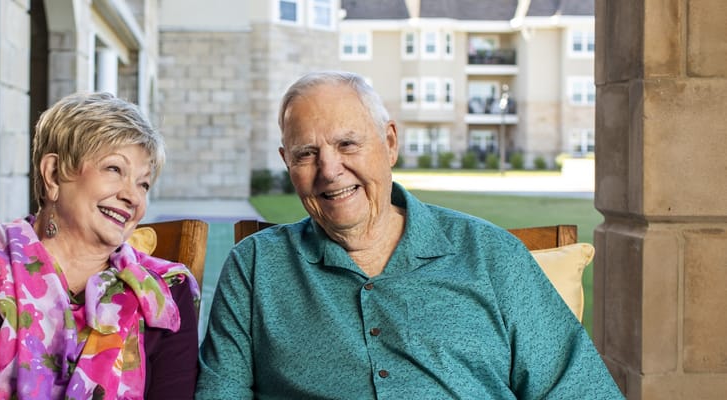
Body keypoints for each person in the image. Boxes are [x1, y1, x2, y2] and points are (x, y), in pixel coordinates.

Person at [196, 71, 623, 399]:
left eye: (347, 145)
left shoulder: (492, 256)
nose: (329, 170)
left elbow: (580, 390)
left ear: (390, 143)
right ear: (287, 162)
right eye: (306, 154)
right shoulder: (256, 267)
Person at [0, 92, 200, 399]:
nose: (132, 197)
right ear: (53, 174)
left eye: (143, 184)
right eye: (114, 169)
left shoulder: (166, 293)